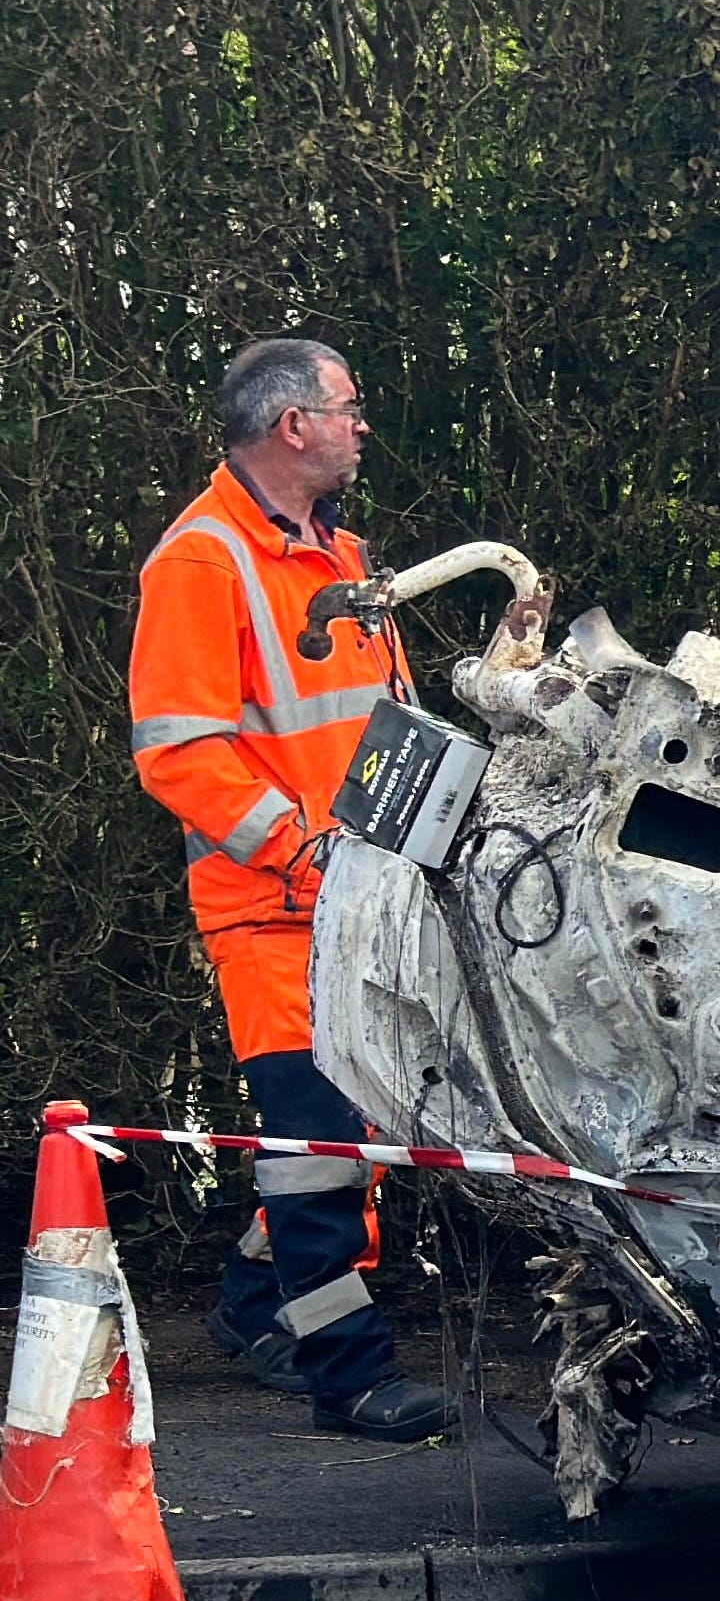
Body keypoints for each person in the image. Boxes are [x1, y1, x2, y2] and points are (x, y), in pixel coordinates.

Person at [125, 338, 461, 1441]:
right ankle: (349, 1375)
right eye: (348, 408)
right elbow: (178, 751)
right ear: (292, 427)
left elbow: (382, 735)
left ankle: (252, 1306)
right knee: (319, 1146)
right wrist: (302, 849)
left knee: (353, 1130)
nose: (362, 425)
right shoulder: (200, 562)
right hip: (275, 911)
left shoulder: (344, 558)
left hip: (360, 904)